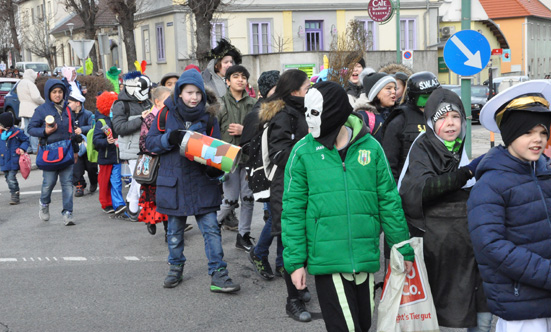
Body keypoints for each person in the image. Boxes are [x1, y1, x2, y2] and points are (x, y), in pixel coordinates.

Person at [282, 81, 414, 331]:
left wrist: (402, 247)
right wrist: (295, 261)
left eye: (314, 112)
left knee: (364, 325)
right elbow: (293, 211)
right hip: (328, 260)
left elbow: (388, 201)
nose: (308, 119)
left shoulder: (371, 147)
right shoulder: (302, 152)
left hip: (365, 259)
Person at [398, 88, 491, 331]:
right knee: (445, 318)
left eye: (456, 117)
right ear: (430, 121)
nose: (450, 123)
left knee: (481, 317)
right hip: (437, 255)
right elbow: (421, 190)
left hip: (468, 252)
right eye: (442, 118)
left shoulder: (456, 146)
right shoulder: (423, 147)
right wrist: (467, 173)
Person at [146, 69, 240, 293]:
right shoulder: (164, 114)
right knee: (175, 232)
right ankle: (175, 267)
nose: (194, 97)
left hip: (201, 183)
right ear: (179, 93)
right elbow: (149, 144)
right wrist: (171, 137)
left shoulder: (209, 117)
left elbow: (217, 149)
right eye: (189, 92)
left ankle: (219, 274)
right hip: (174, 182)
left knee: (211, 231)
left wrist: (215, 167)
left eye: (198, 93)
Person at [468, 80, 551, 332]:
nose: (538, 140)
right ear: (511, 134)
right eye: (528, 132)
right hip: (521, 309)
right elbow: (491, 246)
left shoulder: (545, 174)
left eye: (543, 132)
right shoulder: (489, 184)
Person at [260, 69, 311, 322]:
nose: (310, 90)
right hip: (287, 185)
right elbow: (280, 152)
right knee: (291, 243)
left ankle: (301, 287)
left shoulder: (302, 110)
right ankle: (293, 300)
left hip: (304, 182)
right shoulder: (284, 114)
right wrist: (310, 156)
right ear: (294, 90)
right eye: (307, 86)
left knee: (305, 240)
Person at [241, 70, 283, 280]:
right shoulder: (256, 114)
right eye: (277, 88)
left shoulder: (284, 110)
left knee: (283, 215)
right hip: (266, 172)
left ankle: (281, 261)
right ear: (267, 91)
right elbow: (246, 146)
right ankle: (260, 252)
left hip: (282, 170)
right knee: (278, 215)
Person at [216, 65, 257, 246]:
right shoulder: (219, 103)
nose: (240, 79)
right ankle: (212, 225)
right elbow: (213, 133)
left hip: (249, 158)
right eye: (235, 76)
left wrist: (244, 130)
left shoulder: (254, 104)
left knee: (248, 199)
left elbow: (262, 130)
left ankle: (243, 235)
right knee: (230, 201)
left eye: (243, 76)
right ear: (227, 81)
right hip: (228, 159)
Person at [28, 79, 78, 226]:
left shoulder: (68, 110)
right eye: (54, 92)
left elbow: (72, 132)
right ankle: (44, 204)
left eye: (60, 92)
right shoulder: (42, 110)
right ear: (49, 93)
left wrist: (75, 150)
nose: (57, 95)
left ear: (64, 93)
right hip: (50, 153)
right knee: (48, 184)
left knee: (68, 184)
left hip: (67, 151)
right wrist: (44, 131)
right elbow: (30, 129)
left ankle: (68, 213)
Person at [382, 71, 441, 183]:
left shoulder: (444, 117)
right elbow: (388, 165)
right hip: (408, 189)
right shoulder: (399, 121)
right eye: (424, 98)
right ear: (413, 98)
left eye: (434, 97)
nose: (430, 103)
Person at [112, 71, 153, 221]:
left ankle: (133, 204)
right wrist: (141, 120)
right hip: (131, 149)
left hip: (147, 146)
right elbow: (119, 128)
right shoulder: (121, 104)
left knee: (142, 178)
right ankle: (135, 208)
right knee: (139, 179)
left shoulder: (147, 102)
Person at [138, 86, 170, 236]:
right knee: (153, 198)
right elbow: (143, 143)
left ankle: (168, 230)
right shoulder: (150, 118)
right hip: (153, 165)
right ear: (157, 102)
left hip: (166, 164)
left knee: (166, 198)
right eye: (166, 101)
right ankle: (150, 221)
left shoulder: (170, 117)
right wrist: (159, 149)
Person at [93, 91, 126, 216]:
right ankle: (107, 203)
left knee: (116, 181)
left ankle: (118, 204)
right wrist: (106, 141)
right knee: (104, 182)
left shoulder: (118, 120)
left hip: (116, 157)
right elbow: (96, 141)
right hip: (106, 158)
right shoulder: (101, 122)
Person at [67, 89, 97, 197]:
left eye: (70, 102)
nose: (68, 105)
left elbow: (92, 126)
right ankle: (79, 185)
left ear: (78, 103)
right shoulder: (68, 115)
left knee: (91, 167)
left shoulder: (88, 114)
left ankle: (94, 181)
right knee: (77, 166)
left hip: (87, 146)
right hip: (75, 146)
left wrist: (82, 129)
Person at [352, 72, 397, 142]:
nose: (394, 91)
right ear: (375, 93)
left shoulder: (395, 114)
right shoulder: (364, 116)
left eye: (395, 88)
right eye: (389, 88)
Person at [0, 112, 29, 205]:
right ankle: (14, 191)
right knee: (7, 178)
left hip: (13, 160)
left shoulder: (17, 132)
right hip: (3, 160)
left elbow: (26, 140)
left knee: (11, 178)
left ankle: (15, 194)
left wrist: (22, 148)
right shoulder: (1, 134)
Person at [17, 69, 44, 154]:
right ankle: (35, 148)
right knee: (34, 129)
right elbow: (36, 97)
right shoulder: (30, 84)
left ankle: (28, 148)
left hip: (23, 108)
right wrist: (43, 102)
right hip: (32, 109)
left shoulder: (20, 83)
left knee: (26, 129)